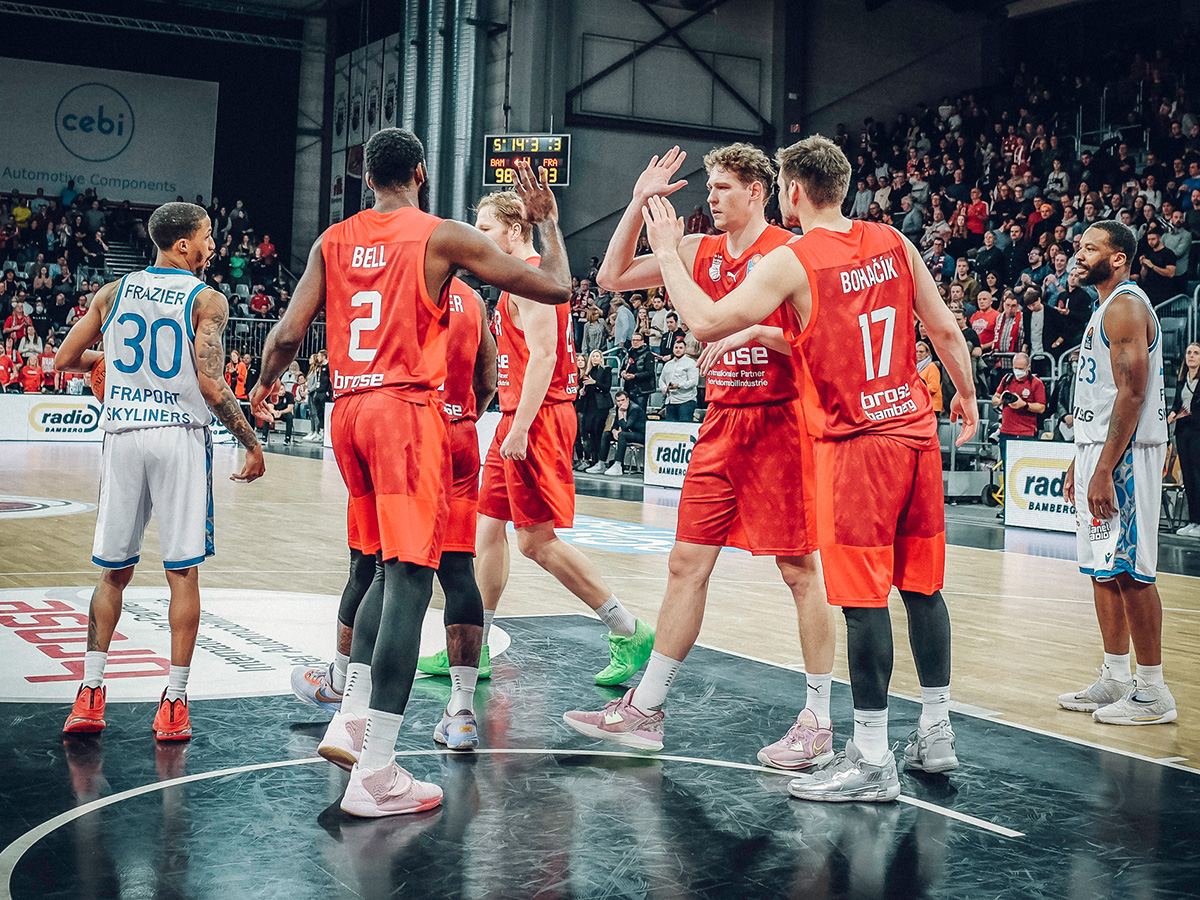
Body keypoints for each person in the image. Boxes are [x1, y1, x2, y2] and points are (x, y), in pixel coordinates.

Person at [623, 135, 977, 801]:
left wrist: (668, 252)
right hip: (916, 434)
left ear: (790, 191)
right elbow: (946, 331)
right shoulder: (894, 242)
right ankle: (936, 731)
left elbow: (705, 322)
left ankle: (870, 758)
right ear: (843, 187)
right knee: (923, 590)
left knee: (862, 602)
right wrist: (965, 393)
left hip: (858, 444)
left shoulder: (795, 258)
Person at [251, 129, 571, 818]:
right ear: (420, 173)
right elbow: (555, 287)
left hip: (347, 413)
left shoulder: (332, 240)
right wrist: (545, 223)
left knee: (372, 566)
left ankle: (350, 715)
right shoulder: (441, 236)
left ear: (366, 178)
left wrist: (263, 390)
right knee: (408, 580)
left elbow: (287, 335)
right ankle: (376, 773)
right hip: (404, 415)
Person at [568, 143, 838, 771]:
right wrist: (638, 201)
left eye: (722, 188)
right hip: (720, 424)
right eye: (709, 187)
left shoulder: (789, 253)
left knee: (800, 572)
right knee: (685, 564)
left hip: (780, 424)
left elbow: (819, 341)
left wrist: (756, 331)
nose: (710, 198)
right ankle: (646, 708)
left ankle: (819, 720)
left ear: (757, 191)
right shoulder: (695, 250)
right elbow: (611, 278)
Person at [56, 202, 265, 741]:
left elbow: (64, 359)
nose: (213, 245)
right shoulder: (207, 300)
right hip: (178, 438)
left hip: (123, 437)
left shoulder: (112, 292)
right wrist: (251, 443)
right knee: (182, 572)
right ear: (183, 244)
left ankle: (90, 694)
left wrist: (107, 366)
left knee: (112, 573)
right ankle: (173, 701)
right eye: (207, 236)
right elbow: (212, 386)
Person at [429, 188, 652, 690]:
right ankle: (475, 643)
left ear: (514, 230)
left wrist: (521, 427)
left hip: (538, 417)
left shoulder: (530, 281)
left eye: (485, 229)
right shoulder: (518, 281)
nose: (477, 238)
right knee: (487, 531)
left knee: (536, 542)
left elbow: (545, 357)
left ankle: (627, 629)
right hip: (518, 416)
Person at [289, 276, 497, 755]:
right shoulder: (472, 299)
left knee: (377, 568)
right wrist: (462, 414)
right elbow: (487, 379)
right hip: (460, 434)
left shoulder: (398, 279)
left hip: (404, 432)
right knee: (458, 571)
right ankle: (461, 713)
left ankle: (348, 696)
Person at [1060, 220, 1174, 726]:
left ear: (1119, 258)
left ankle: (1152, 691)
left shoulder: (1126, 306)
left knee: (1131, 570)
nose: (1079, 255)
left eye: (1090, 248)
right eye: (1079, 247)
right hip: (1100, 449)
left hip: (1125, 455)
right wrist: (1080, 458)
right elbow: (1103, 395)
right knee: (1102, 570)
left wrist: (1104, 466)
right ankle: (1115, 676)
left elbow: (1133, 393)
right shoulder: (1104, 307)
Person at [1169, 343, 1200, 536]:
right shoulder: (1182, 380)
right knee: (1188, 477)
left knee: (1197, 477)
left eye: (1196, 353)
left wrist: (1187, 414)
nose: (1191, 356)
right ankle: (1192, 521)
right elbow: (1177, 404)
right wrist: (1173, 413)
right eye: (1189, 352)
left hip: (1197, 432)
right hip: (1183, 433)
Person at [590, 390, 646, 475]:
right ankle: (601, 464)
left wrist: (620, 413)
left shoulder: (635, 409)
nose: (620, 403)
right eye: (618, 401)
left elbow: (626, 426)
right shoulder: (618, 408)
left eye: (623, 400)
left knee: (622, 435)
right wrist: (614, 431)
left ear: (627, 399)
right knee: (606, 434)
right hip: (628, 433)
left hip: (640, 435)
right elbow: (615, 425)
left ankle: (618, 465)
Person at [576, 349, 613, 469]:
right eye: (593, 356)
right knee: (589, 431)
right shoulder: (588, 371)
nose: (595, 358)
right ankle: (593, 459)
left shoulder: (606, 370)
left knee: (598, 431)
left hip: (601, 406)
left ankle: (600, 461)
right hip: (589, 405)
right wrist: (583, 391)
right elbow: (586, 388)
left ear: (601, 358)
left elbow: (606, 388)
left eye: (597, 356)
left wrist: (595, 382)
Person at [658, 336, 698, 421]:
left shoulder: (691, 363)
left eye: (680, 348)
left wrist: (678, 385)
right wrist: (664, 388)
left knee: (684, 427)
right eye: (676, 347)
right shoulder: (668, 364)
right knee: (671, 428)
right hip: (670, 401)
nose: (678, 350)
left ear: (685, 350)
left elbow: (694, 382)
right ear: (673, 349)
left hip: (686, 401)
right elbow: (661, 379)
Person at [916, 340, 942, 414]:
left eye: (921, 352)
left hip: (932, 407)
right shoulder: (914, 367)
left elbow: (934, 387)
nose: (918, 354)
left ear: (927, 353)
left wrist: (917, 391)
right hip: (921, 406)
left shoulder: (931, 366)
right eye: (917, 351)